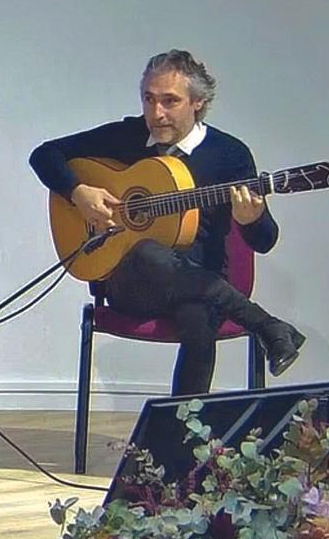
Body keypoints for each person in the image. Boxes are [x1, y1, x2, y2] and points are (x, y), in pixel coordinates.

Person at [29, 49, 304, 398]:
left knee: (199, 321)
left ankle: (179, 440)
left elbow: (264, 240)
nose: (156, 114)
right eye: (149, 99)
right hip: (131, 284)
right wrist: (78, 192)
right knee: (147, 252)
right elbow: (44, 155)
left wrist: (251, 220)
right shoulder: (126, 136)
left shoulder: (229, 154)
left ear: (198, 103)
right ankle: (267, 325)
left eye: (170, 101)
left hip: (202, 280)